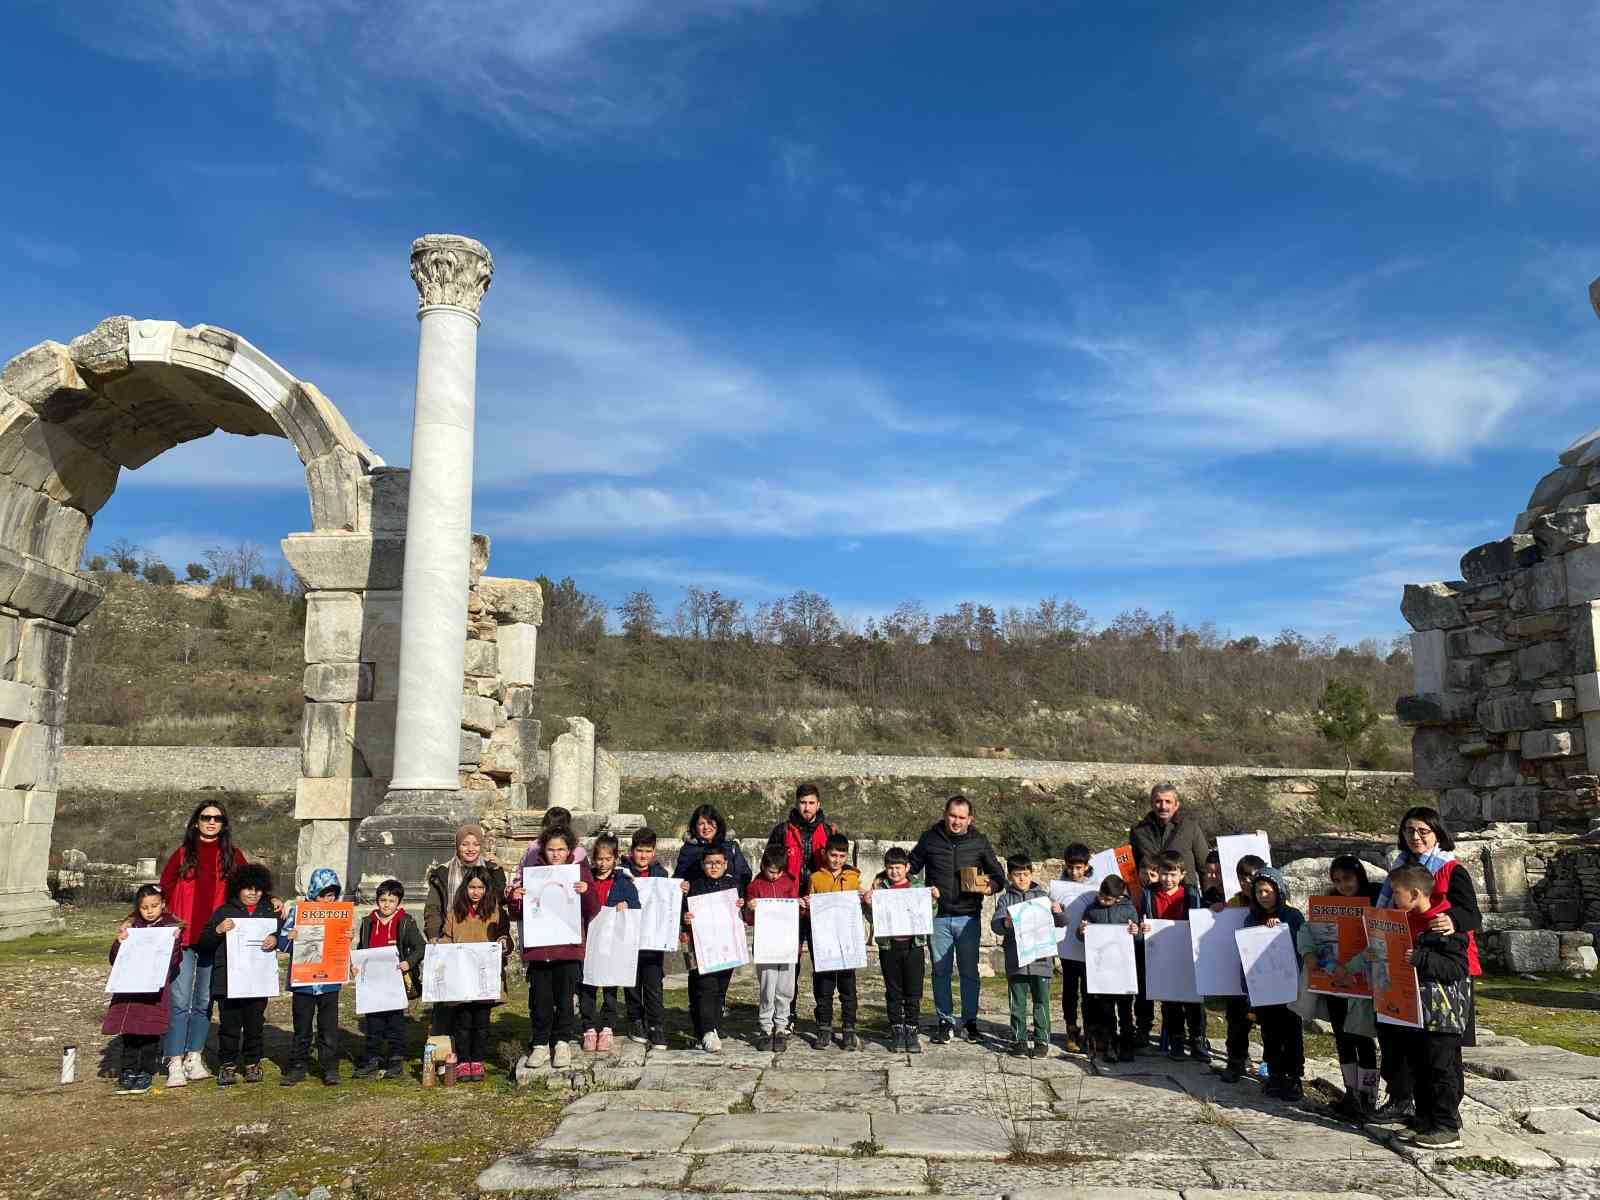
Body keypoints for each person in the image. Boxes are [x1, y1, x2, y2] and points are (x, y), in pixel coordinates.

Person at [1370, 806, 1482, 1128]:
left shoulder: (1451, 869)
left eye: (1423, 831)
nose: (1415, 837)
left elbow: (1472, 915)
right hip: (1402, 963)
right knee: (1399, 1039)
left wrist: (1452, 920)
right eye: (1409, 831)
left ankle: (1446, 1113)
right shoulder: (1399, 869)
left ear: (1437, 833)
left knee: (1443, 1047)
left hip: (1443, 963)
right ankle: (1404, 1099)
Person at [156, 800, 250, 1089]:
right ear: (196, 821)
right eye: (206, 817)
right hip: (184, 939)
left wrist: (270, 900)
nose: (212, 822)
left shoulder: (233, 856)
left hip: (217, 939)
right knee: (180, 1001)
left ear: (224, 824)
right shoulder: (182, 854)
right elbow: (163, 892)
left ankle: (194, 1056)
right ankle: (173, 1059)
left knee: (204, 1002)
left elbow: (249, 888)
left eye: (217, 818)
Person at [904, 795, 1005, 1044]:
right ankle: (945, 1021)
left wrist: (987, 886)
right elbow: (910, 868)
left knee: (969, 972)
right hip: (938, 918)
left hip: (968, 918)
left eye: (961, 817)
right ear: (945, 814)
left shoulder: (979, 842)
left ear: (970, 819)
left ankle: (970, 1021)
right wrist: (887, 877)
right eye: (952, 816)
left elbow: (998, 876)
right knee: (940, 971)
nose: (956, 821)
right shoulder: (930, 838)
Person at [1388, 862, 1472, 1150]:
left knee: (1441, 1069)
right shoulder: (1408, 921)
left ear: (1413, 893)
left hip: (1444, 1012)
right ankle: (1425, 1120)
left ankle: (1447, 1127)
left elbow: (1457, 968)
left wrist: (1421, 959)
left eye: (1396, 892)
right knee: (1419, 1067)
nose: (1392, 897)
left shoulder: (1444, 923)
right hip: (1418, 1011)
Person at [1299, 855, 1380, 1119]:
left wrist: (1354, 964)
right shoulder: (1328, 904)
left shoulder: (1376, 900)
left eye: (1347, 879)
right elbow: (1307, 931)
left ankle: (1368, 1097)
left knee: (1363, 1039)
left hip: (1362, 984)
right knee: (1343, 1039)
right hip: (1335, 983)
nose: (1342, 885)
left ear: (1359, 876)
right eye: (1337, 880)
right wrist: (1309, 953)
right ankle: (1351, 1094)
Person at [196, 862, 280, 1087]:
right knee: (229, 1026)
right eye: (248, 888)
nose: (253, 893)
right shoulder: (223, 912)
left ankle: (252, 1062)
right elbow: (203, 943)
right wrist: (217, 930)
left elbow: (283, 934)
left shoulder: (269, 911)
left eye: (258, 889)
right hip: (228, 982)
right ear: (237, 888)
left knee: (255, 1024)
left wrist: (276, 939)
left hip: (258, 980)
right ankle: (228, 1064)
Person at [766, 782, 837, 1032]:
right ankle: (788, 1011)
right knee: (789, 963)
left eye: (811, 803)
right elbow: (769, 865)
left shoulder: (828, 831)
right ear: (796, 804)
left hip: (820, 906)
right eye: (802, 803)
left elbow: (839, 864)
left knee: (822, 961)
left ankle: (822, 1013)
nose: (806, 808)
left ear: (818, 804)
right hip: (790, 906)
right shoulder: (782, 831)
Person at [105, 884, 183, 1095]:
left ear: (163, 905)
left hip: (154, 991)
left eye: (154, 906)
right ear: (137, 908)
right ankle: (129, 1070)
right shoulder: (132, 927)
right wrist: (119, 942)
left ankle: (146, 1072)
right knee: (130, 1033)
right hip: (130, 990)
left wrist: (175, 942)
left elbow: (175, 960)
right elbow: (115, 959)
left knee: (149, 1033)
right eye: (144, 907)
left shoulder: (170, 928)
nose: (149, 911)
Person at [522, 831, 591, 1069]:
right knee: (541, 998)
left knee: (565, 998)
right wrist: (515, 897)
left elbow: (593, 909)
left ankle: (562, 1041)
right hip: (540, 950)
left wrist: (586, 891)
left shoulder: (579, 872)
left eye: (561, 849)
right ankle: (540, 1043)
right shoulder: (532, 873)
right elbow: (518, 910)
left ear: (569, 851)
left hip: (567, 948)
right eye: (551, 849)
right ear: (543, 850)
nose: (556, 854)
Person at [436, 865, 511, 1083]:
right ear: (465, 888)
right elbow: (447, 939)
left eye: (480, 887)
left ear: (487, 889)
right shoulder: (454, 913)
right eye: (471, 887)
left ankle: (477, 1059)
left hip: (484, 977)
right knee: (462, 1021)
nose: (475, 892)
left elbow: (505, 938)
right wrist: (440, 945)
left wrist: (504, 943)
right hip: (461, 977)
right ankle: (462, 1060)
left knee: (481, 1021)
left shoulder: (496, 912)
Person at [1240, 866, 1305, 1101]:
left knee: (1291, 1033)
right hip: (1264, 988)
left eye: (1268, 891)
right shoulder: (1251, 918)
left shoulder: (1293, 915)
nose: (1263, 896)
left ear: (1278, 890)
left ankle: (1294, 1077)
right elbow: (1246, 952)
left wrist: (1280, 930)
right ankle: (1276, 1074)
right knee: (1270, 1033)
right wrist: (1246, 986)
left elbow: (1302, 945)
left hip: (1288, 988)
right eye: (1259, 892)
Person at [277, 867, 346, 1086]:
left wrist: (347, 936)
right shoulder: (299, 912)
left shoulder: (339, 914)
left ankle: (330, 1066)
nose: (330, 898)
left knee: (328, 1027)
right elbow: (281, 943)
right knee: (302, 1026)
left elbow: (341, 945)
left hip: (329, 982)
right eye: (326, 893)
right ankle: (298, 1065)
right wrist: (291, 936)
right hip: (303, 982)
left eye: (333, 894)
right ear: (315, 891)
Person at [993, 853, 1066, 1058]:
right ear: (1010, 876)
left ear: (1032, 873)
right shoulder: (1005, 899)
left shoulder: (1043, 897)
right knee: (1017, 1003)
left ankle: (1042, 1040)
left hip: (1041, 961)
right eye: (1017, 875)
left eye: (1025, 874)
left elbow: (1062, 921)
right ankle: (1019, 1040)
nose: (1022, 879)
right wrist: (1005, 923)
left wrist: (1058, 911)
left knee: (1041, 1001)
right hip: (1016, 961)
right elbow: (995, 925)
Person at [1139, 850, 1208, 1062]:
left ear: (1182, 874)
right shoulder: (1149, 893)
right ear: (1157, 872)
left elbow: (1199, 918)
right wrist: (1143, 926)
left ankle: (1197, 1039)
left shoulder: (1191, 893)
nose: (1168, 879)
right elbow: (1144, 916)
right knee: (1170, 1000)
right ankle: (1176, 1039)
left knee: (1194, 1000)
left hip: (1186, 952)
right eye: (1163, 874)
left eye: (1173, 874)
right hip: (1161, 952)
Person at [353, 878, 425, 1081]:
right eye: (383, 899)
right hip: (373, 981)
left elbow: (421, 946)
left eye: (391, 900)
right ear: (377, 901)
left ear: (398, 902)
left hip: (396, 981)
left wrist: (408, 963)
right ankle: (372, 1059)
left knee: (395, 1023)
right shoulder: (368, 923)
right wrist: (356, 965)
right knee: (373, 1022)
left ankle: (395, 1060)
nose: (387, 904)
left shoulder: (405, 922)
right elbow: (362, 949)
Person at [578, 833, 641, 1053]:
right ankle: (588, 1027)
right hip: (588, 940)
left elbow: (636, 908)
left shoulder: (623, 882)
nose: (603, 863)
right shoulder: (587, 881)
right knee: (587, 985)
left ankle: (607, 1026)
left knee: (610, 987)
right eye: (599, 859)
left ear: (615, 859)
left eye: (607, 859)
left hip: (612, 943)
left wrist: (626, 904)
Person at [873, 846, 936, 1053]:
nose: (894, 872)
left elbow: (930, 914)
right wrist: (868, 903)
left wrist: (934, 900)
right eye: (890, 867)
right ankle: (896, 1029)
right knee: (893, 990)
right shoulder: (880, 888)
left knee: (913, 990)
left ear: (907, 867)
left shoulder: (918, 886)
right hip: (889, 946)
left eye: (898, 867)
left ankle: (911, 1028)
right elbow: (873, 917)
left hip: (913, 944)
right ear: (885, 868)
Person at [682, 843, 743, 1052]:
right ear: (702, 864)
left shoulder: (733, 885)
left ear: (726, 864)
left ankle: (712, 1027)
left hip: (727, 947)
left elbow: (740, 912)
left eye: (718, 863)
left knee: (720, 989)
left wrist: (742, 906)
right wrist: (686, 919)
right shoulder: (695, 886)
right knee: (705, 987)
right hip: (703, 947)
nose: (714, 867)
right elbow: (684, 912)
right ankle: (707, 1030)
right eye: (709, 863)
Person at [808, 832, 865, 1051]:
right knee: (824, 986)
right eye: (833, 855)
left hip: (847, 941)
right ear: (825, 854)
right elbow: (811, 909)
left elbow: (860, 905)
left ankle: (849, 1028)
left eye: (842, 856)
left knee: (848, 987)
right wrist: (807, 904)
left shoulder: (853, 879)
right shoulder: (815, 879)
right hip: (824, 942)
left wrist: (864, 897)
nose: (837, 860)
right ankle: (824, 1027)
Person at [1215, 852, 1266, 1083]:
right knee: (1236, 1021)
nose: (1246, 882)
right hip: (1238, 976)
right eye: (1242, 877)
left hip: (1266, 975)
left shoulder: (1273, 902)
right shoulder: (1233, 903)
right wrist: (1216, 911)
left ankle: (1271, 1065)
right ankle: (1236, 1061)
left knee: (1269, 1023)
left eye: (1251, 877)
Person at [1078, 876, 1138, 1065]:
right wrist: (1082, 931)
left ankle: (1127, 1045)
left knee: (1126, 1011)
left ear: (1118, 898)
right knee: (1107, 1011)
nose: (1102, 900)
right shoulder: (1092, 910)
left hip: (1123, 970)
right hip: (1103, 972)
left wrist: (1136, 932)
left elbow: (1137, 940)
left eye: (1107, 899)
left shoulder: (1128, 910)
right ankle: (1111, 1044)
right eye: (1101, 896)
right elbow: (1082, 937)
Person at [744, 845, 800, 1051]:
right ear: (763, 866)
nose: (775, 876)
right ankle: (765, 1026)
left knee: (785, 987)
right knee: (768, 985)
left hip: (787, 943)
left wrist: (800, 906)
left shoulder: (790, 883)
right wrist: (749, 909)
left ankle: (781, 1026)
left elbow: (795, 913)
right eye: (771, 871)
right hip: (766, 943)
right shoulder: (755, 885)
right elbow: (749, 919)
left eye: (779, 872)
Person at [619, 827, 669, 1049]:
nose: (643, 856)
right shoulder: (621, 874)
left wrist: (680, 890)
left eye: (648, 851)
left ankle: (656, 1025)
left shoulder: (662, 875)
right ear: (632, 851)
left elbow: (668, 902)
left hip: (652, 939)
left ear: (654, 852)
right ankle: (636, 1020)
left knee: (653, 983)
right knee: (631, 982)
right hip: (628, 937)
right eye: (639, 851)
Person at [1129, 783, 1208, 887]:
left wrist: (1209, 899)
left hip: (1185, 896)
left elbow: (1204, 868)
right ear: (1152, 804)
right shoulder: (1138, 831)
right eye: (1158, 801)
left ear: (1176, 805)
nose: (1163, 806)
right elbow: (1132, 870)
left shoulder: (1190, 827)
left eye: (1168, 802)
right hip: (1152, 896)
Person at [1057, 843, 1094, 1053]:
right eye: (1071, 867)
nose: (1074, 872)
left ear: (1087, 866)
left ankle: (1090, 1030)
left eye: (1079, 868)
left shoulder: (1095, 884)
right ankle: (1071, 1029)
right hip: (1067, 946)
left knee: (1089, 991)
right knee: (1069, 990)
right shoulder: (1058, 886)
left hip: (1089, 948)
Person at [674, 803, 753, 894]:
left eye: (709, 822)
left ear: (717, 823)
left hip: (727, 899)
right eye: (701, 824)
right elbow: (678, 879)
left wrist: (731, 882)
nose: (706, 827)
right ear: (695, 827)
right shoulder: (688, 850)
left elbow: (744, 874)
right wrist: (685, 886)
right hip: (699, 899)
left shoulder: (731, 846)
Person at [1133, 856, 1162, 1049]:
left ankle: (1170, 1032)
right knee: (1142, 990)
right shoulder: (1133, 890)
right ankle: (1142, 1028)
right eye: (1144, 873)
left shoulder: (1156, 893)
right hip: (1139, 945)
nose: (1148, 877)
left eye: (1153, 874)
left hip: (1159, 944)